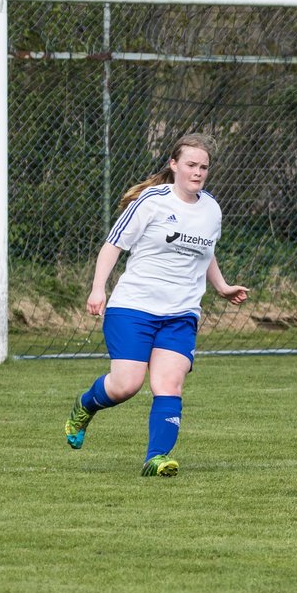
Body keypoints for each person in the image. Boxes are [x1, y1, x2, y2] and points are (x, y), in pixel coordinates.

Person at [62, 133, 249, 476]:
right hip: (133, 307)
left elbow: (205, 251)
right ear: (174, 164)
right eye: (191, 165)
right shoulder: (152, 200)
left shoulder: (211, 208)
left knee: (169, 384)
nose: (197, 172)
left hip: (181, 314)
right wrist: (97, 288)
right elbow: (113, 245)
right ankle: (85, 406)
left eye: (204, 167)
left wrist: (221, 286)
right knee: (126, 385)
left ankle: (156, 457)